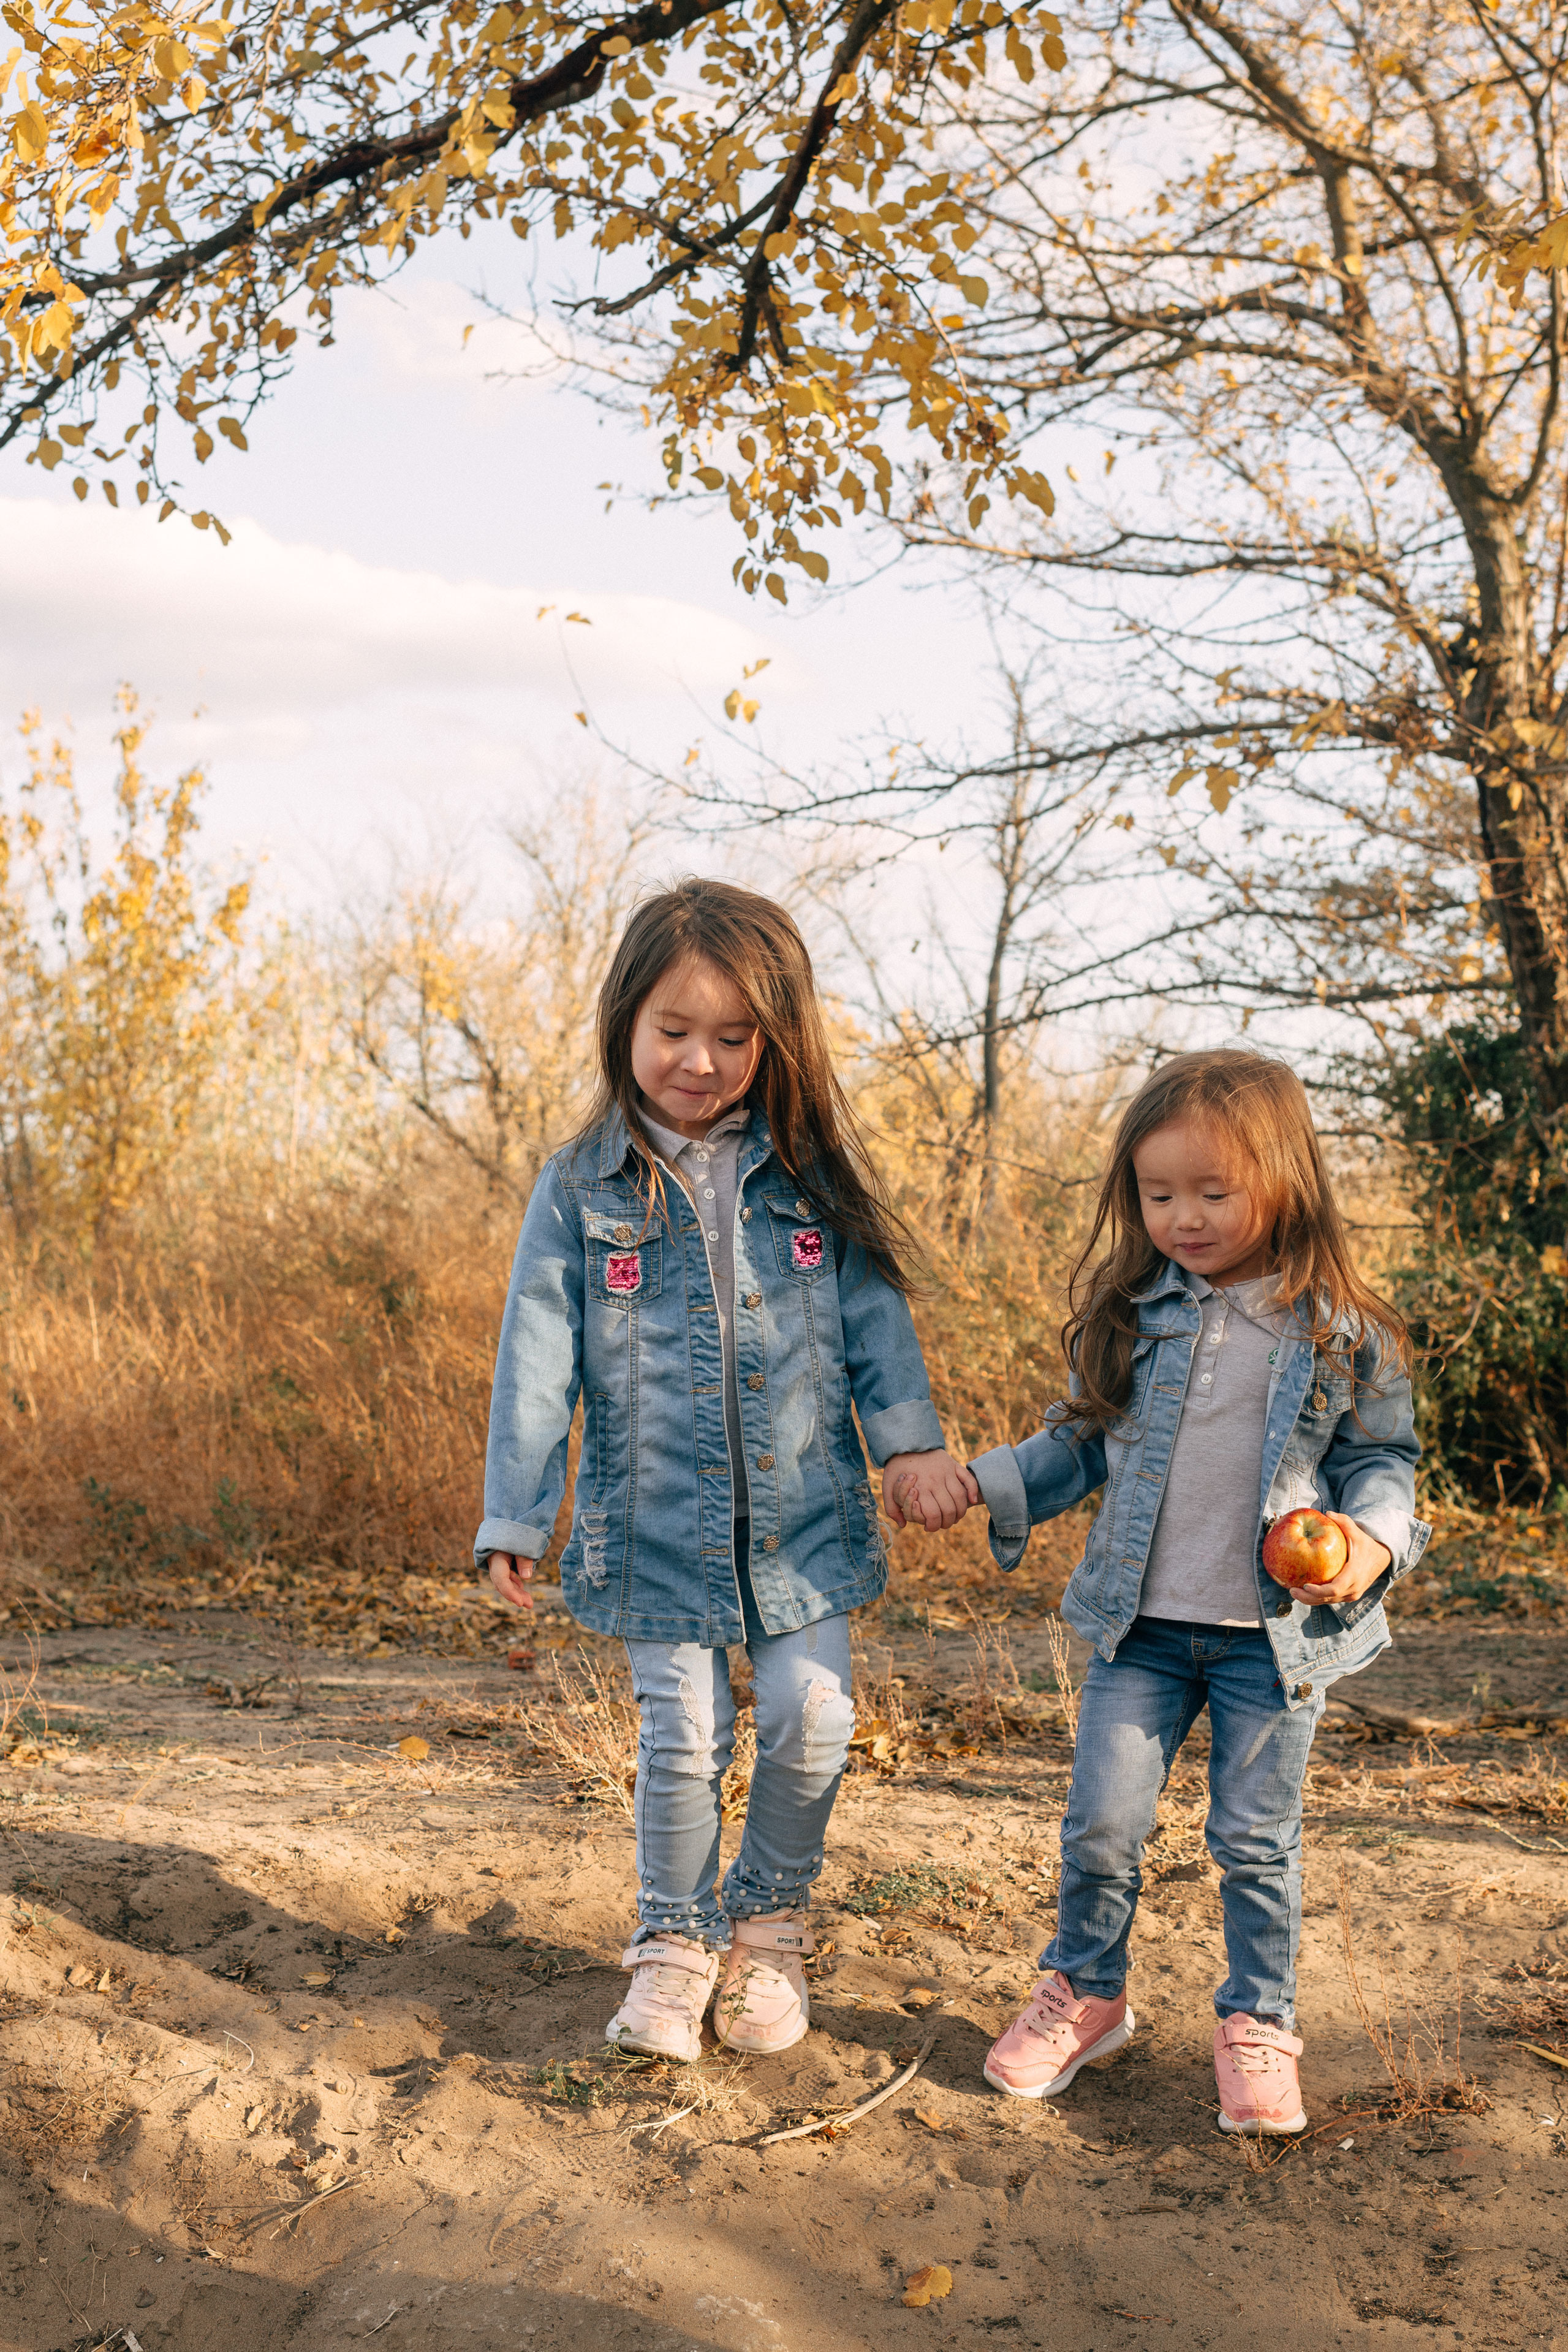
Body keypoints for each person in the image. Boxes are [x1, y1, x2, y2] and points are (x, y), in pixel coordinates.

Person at [479, 879, 976, 2063]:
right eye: (674, 1031)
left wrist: (909, 1443)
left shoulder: (810, 1183)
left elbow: (875, 1326)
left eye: (734, 1037)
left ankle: (764, 1924)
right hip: (654, 1520)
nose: (699, 1061)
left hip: (803, 1514)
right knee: (682, 1732)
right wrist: (518, 1508)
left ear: (777, 1040)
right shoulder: (581, 1186)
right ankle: (672, 1937)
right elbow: (536, 1360)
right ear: (625, 1024)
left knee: (814, 1717)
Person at [968, 1049, 1428, 2133]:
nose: (1184, 1215)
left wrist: (1373, 1542)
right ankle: (1088, 1992)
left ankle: (1258, 2021)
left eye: (1214, 1193)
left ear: (1286, 1181)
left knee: (1255, 1840)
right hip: (1142, 1630)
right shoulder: (1136, 1314)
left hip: (1279, 1643)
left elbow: (1384, 1462)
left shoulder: (1341, 1328)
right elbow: (1076, 1443)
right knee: (1101, 1823)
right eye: (1159, 1191)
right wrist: (981, 1480)